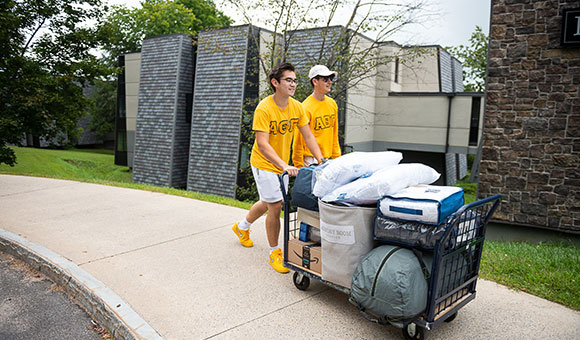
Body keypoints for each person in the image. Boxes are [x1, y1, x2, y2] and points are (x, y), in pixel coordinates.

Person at [232, 62, 323, 273]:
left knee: (267, 201)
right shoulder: (264, 108)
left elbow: (308, 135)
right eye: (288, 80)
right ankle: (275, 252)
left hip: (282, 164)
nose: (293, 84)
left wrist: (320, 159)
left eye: (295, 80)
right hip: (264, 162)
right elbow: (262, 144)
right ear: (275, 83)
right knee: (276, 205)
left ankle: (242, 227)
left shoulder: (297, 106)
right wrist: (283, 165)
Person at [292, 65, 341, 168]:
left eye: (331, 79)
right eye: (325, 79)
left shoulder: (332, 104)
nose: (330, 82)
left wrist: (337, 158)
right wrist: (299, 166)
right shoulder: (305, 107)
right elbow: (298, 141)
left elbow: (334, 134)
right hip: (311, 161)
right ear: (315, 81)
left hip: (328, 159)